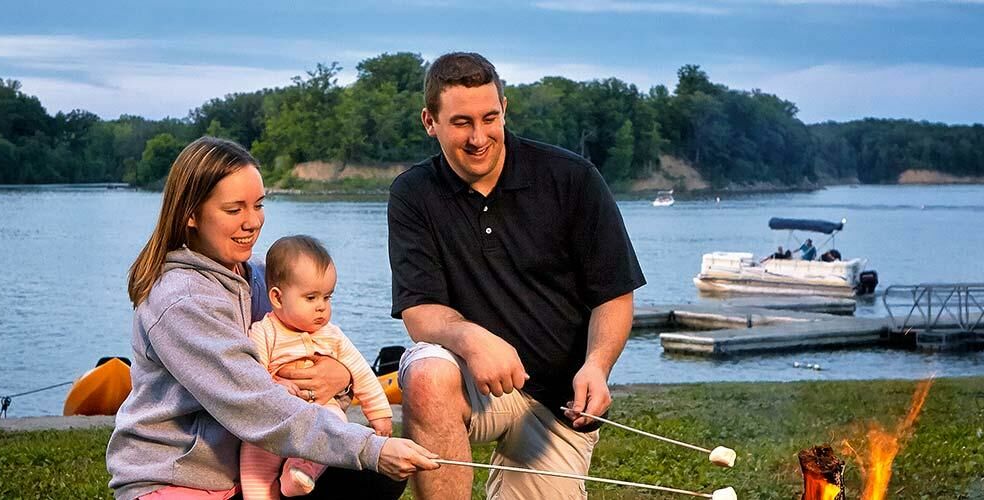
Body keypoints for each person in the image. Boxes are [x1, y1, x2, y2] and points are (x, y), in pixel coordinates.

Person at [107, 136, 438, 500]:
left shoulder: (265, 280)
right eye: (234, 210)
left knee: (375, 479)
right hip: (177, 478)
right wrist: (368, 447)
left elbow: (316, 344)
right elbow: (255, 403)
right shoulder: (181, 301)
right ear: (191, 214)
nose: (252, 222)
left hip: (250, 467)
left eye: (258, 205)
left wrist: (341, 377)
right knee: (368, 460)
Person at [388, 53, 646, 499]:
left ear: (505, 108)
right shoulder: (413, 194)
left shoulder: (572, 178)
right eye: (461, 122)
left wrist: (597, 365)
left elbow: (614, 295)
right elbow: (420, 311)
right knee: (427, 374)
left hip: (557, 401)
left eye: (490, 118)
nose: (478, 137)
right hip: (471, 377)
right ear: (430, 121)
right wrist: (473, 340)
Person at [240, 235, 395, 499]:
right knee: (255, 460)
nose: (322, 307)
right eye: (311, 298)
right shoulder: (264, 332)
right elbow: (252, 374)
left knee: (334, 425)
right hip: (273, 419)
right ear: (277, 298)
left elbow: (361, 372)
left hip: (321, 411)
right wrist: (276, 384)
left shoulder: (332, 335)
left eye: (327, 297)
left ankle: (301, 471)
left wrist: (379, 414)